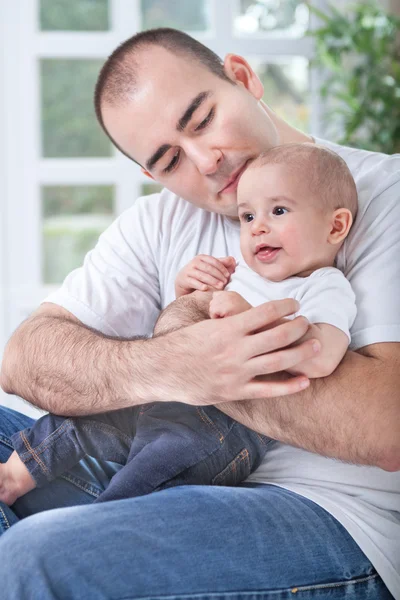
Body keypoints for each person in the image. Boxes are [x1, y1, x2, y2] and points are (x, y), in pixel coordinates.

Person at [0, 27, 399, 600]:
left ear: (243, 77)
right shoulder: (158, 221)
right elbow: (25, 358)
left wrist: (196, 354)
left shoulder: (383, 193)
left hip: (329, 516)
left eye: (202, 119)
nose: (206, 162)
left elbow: (389, 425)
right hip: (161, 470)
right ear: (151, 175)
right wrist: (168, 363)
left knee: (29, 557)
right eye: (168, 160)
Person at [0, 143, 358, 506]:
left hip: (222, 430)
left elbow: (322, 357)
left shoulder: (323, 285)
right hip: (168, 398)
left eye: (278, 211)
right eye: (248, 217)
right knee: (81, 414)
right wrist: (186, 291)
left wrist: (244, 318)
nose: (258, 228)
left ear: (335, 226)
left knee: (151, 475)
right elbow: (181, 338)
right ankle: (16, 474)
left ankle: (103, 521)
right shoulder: (238, 270)